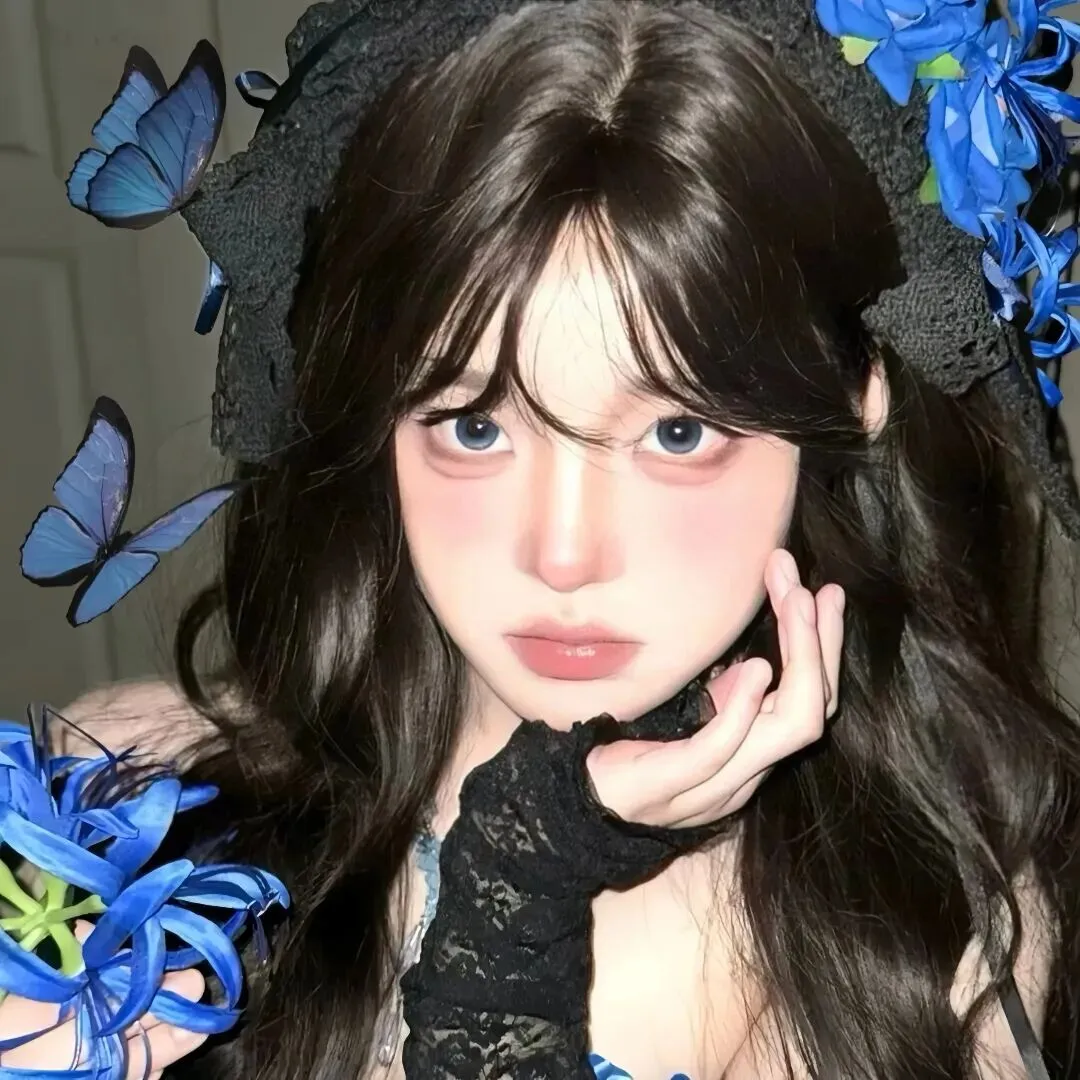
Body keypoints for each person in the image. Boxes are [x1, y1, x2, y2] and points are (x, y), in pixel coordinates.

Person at [5, 0, 1080, 1076]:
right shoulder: (116, 823)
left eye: (677, 432)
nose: (563, 557)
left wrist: (521, 880)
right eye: (474, 426)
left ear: (851, 404)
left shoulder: (946, 935)